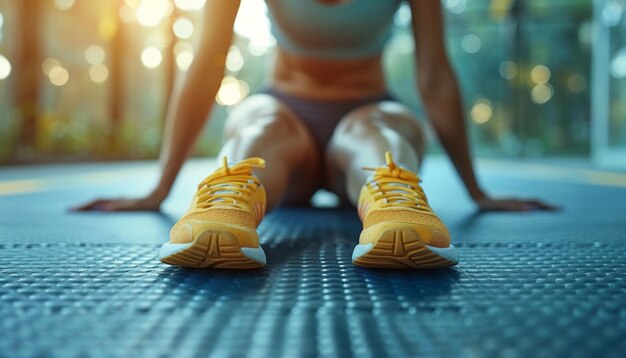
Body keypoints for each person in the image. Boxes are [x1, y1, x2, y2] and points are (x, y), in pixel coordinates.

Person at [74, 0, 554, 269]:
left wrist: (477, 190)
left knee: (375, 128)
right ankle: (226, 209)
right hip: (286, 107)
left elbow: (434, 77)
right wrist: (159, 188)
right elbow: (207, 63)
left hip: (367, 105)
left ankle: (395, 205)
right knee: (262, 125)